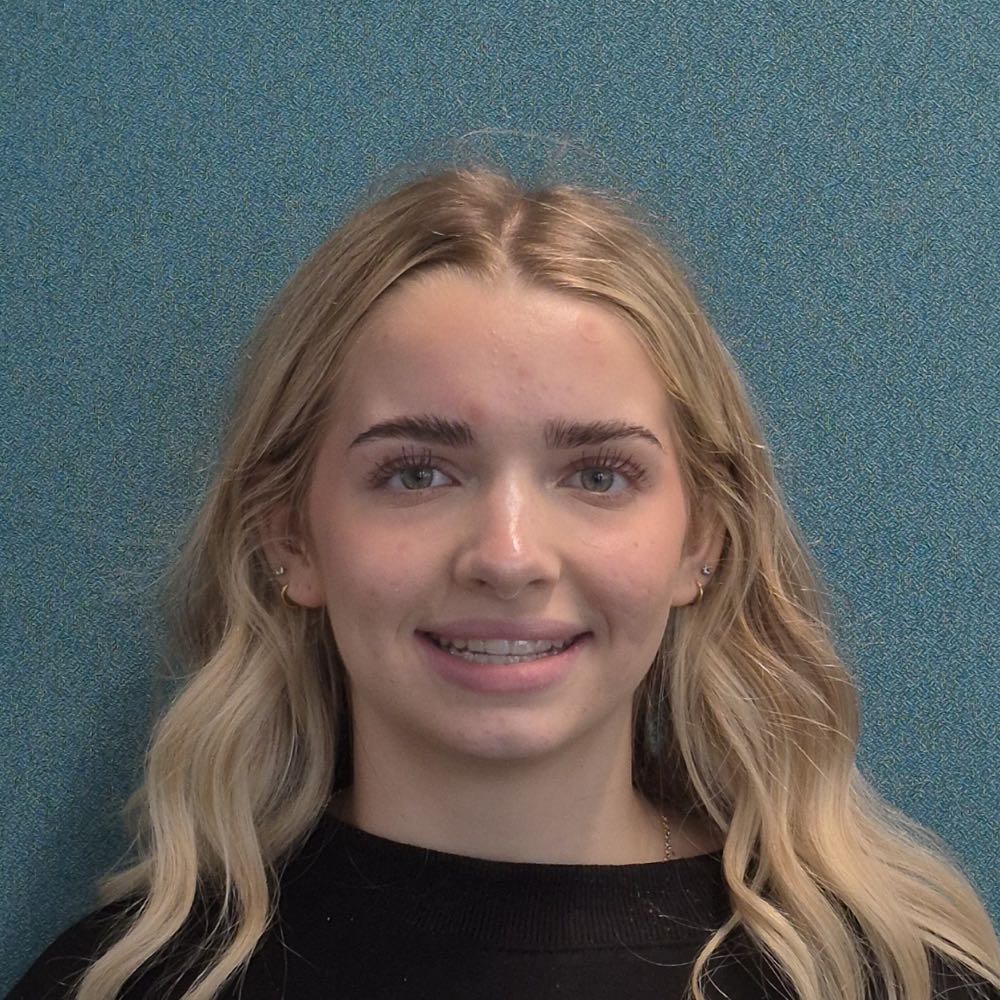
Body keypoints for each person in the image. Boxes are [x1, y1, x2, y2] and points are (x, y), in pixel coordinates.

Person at [8, 165, 999, 1000]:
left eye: (598, 474)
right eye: (415, 472)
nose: (509, 554)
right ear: (290, 537)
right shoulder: (128, 982)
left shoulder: (890, 977)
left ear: (705, 538)